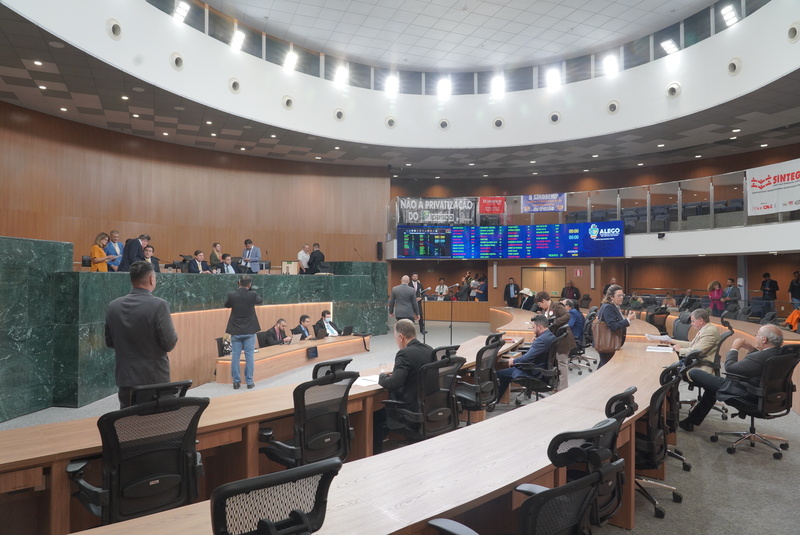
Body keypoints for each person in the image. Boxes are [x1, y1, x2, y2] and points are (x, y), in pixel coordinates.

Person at [679, 324, 783, 431]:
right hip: (767, 397)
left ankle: (687, 419)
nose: (755, 337)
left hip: (745, 394)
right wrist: (751, 348)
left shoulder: (760, 357)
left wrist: (734, 348)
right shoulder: (779, 354)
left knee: (695, 372)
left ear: (764, 339)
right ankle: (690, 422)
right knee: (712, 389)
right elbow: (760, 362)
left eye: (757, 335)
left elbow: (730, 368)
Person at [105, 261, 177, 408]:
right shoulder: (159, 305)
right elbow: (169, 343)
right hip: (154, 379)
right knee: (153, 420)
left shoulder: (113, 306)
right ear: (151, 279)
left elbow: (110, 342)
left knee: (128, 419)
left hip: (125, 378)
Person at [373, 319, 434, 453]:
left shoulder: (404, 354)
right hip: (429, 407)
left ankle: (375, 456)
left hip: (410, 409)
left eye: (395, 338)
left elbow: (393, 383)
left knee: (375, 417)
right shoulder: (429, 349)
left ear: (401, 337)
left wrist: (382, 376)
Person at [496, 315, 556, 400]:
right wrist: (533, 345)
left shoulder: (541, 340)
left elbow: (526, 359)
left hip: (534, 372)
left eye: (533, 327)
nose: (532, 330)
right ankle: (496, 400)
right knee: (506, 372)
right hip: (542, 369)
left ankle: (495, 401)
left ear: (539, 327)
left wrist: (513, 361)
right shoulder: (550, 336)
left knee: (499, 374)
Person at [224, 275, 262, 389]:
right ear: (249, 284)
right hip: (249, 330)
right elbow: (260, 300)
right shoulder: (252, 294)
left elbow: (227, 305)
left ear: (238, 283)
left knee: (235, 356)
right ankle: (249, 382)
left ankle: (236, 382)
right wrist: (250, 290)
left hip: (236, 330)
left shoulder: (232, 295)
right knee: (249, 356)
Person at [534, 291, 576, 389]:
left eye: (540, 304)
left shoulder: (557, 306)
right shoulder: (545, 310)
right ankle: (557, 386)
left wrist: (554, 322)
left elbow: (567, 316)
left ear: (544, 301)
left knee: (562, 363)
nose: (539, 306)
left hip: (563, 340)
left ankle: (563, 388)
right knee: (557, 364)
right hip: (555, 341)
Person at [595, 285, 636, 368]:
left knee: (605, 366)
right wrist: (628, 320)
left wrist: (628, 319)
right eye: (619, 295)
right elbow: (613, 326)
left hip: (610, 343)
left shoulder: (613, 306)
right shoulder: (608, 307)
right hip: (607, 343)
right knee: (606, 367)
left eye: (622, 295)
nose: (621, 297)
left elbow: (617, 322)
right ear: (611, 297)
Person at [668, 308, 721, 374]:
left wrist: (680, 350)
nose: (691, 324)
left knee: (669, 369)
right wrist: (672, 341)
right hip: (696, 362)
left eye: (693, 321)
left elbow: (697, 351)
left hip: (701, 366)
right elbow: (692, 345)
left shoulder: (709, 332)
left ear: (701, 320)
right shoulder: (705, 329)